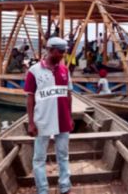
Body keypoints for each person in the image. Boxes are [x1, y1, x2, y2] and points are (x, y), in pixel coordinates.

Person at [24, 37, 73, 194]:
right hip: (42, 120)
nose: (63, 55)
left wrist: (70, 117)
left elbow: (69, 94)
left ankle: (65, 187)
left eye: (64, 52)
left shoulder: (65, 70)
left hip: (63, 119)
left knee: (63, 155)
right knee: (39, 158)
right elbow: (30, 98)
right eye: (60, 51)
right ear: (50, 50)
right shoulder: (34, 71)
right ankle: (42, 190)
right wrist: (31, 122)